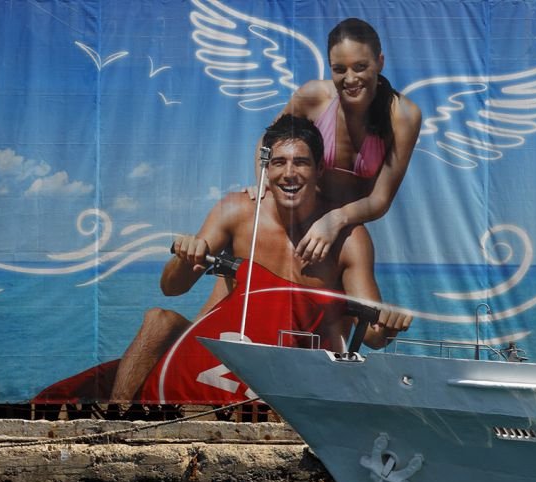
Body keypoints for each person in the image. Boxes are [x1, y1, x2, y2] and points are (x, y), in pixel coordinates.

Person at [35, 115, 412, 405]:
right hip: (221, 350)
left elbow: (372, 333)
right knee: (158, 319)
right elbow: (171, 288)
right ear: (266, 170)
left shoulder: (348, 239)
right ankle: (119, 419)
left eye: (301, 162)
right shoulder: (238, 212)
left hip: (293, 365)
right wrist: (187, 256)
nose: (289, 173)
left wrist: (388, 325)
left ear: (318, 170)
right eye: (278, 163)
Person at [253, 17, 422, 265]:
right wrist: (263, 186)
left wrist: (335, 220)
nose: (350, 79)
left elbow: (380, 199)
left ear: (380, 62)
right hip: (299, 215)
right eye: (340, 69)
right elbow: (267, 141)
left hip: (344, 227)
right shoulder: (314, 96)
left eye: (360, 67)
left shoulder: (404, 116)